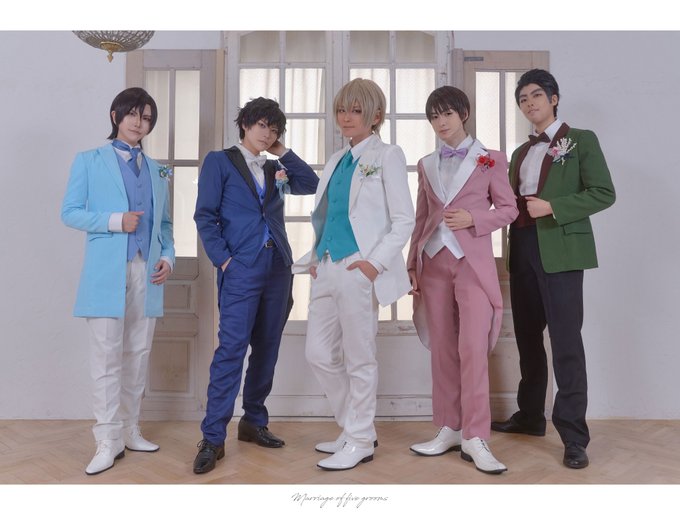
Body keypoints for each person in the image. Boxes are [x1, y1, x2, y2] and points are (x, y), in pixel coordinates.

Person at [490, 69, 615, 469]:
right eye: (522, 99)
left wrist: (554, 207)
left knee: (565, 342)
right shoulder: (520, 153)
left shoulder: (581, 140)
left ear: (554, 98)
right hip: (522, 247)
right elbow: (508, 202)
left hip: (561, 249)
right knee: (527, 337)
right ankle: (530, 416)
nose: (529, 103)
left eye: (536, 95)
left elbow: (603, 193)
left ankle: (574, 437)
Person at [293, 78, 415, 471]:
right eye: (342, 110)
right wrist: (317, 256)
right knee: (317, 353)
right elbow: (327, 214)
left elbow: (404, 219)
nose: (347, 117)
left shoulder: (388, 155)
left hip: (359, 267)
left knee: (360, 357)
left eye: (356, 110)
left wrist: (373, 264)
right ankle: (355, 428)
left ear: (376, 116)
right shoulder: (335, 160)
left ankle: (360, 440)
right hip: (327, 266)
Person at [192, 97, 319, 474]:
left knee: (267, 347)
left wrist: (283, 152)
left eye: (274, 129)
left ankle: (253, 421)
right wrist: (224, 260)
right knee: (231, 349)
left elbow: (311, 184)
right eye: (262, 125)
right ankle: (213, 437)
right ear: (245, 124)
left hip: (278, 266)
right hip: (240, 267)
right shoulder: (220, 161)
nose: (267, 133)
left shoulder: (276, 167)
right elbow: (205, 216)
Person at [61, 87, 175, 475]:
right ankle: (107, 440)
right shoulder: (89, 161)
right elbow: (70, 212)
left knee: (137, 355)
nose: (139, 123)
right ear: (116, 116)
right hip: (106, 273)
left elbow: (165, 225)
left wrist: (168, 258)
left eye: (147, 118)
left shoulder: (158, 170)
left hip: (148, 272)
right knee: (106, 358)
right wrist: (114, 221)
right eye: (133, 115)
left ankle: (130, 430)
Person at [406, 86, 518, 474]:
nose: (441, 122)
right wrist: (412, 264)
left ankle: (476, 435)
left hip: (472, 262)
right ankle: (449, 427)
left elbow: (509, 209)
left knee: (472, 347)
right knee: (442, 348)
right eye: (434, 116)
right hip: (433, 261)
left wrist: (475, 219)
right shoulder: (425, 164)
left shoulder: (491, 159)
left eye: (447, 114)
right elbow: (422, 218)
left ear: (464, 114)